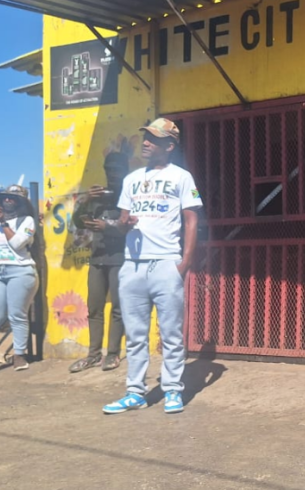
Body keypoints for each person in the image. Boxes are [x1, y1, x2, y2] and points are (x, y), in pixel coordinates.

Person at [102, 118, 202, 415]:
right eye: (145, 137)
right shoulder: (131, 180)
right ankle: (135, 392)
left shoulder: (181, 177)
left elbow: (192, 220)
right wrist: (122, 224)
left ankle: (172, 390)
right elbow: (123, 223)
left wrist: (184, 263)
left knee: (170, 333)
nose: (146, 142)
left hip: (165, 264)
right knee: (135, 335)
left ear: (169, 146)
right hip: (132, 266)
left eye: (153, 139)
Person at [69, 153, 129, 373]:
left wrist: (108, 229)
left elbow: (133, 228)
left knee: (118, 308)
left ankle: (112, 354)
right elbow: (78, 223)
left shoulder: (129, 194)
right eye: (109, 169)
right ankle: (93, 355)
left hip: (120, 259)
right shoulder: (98, 196)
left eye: (117, 169)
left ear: (124, 170)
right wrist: (85, 201)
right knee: (94, 308)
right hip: (97, 259)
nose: (113, 173)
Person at [0, 185, 40, 378]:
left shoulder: (27, 221)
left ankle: (18, 355)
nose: (8, 201)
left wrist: (3, 223)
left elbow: (17, 244)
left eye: (13, 198)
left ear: (21, 202)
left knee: (17, 315)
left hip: (19, 271)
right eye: (5, 198)